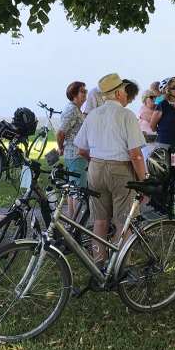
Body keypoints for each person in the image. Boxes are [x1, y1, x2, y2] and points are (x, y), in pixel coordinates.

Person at [74, 73, 147, 266]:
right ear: (117, 94)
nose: (125, 94)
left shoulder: (93, 115)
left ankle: (98, 264)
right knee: (123, 222)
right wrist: (143, 180)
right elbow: (135, 154)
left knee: (100, 221)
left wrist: (98, 161)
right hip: (121, 170)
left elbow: (81, 149)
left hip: (96, 169)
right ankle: (122, 267)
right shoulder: (126, 115)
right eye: (123, 91)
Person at [57, 81, 89, 219]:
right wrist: (60, 147)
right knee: (78, 191)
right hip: (76, 156)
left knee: (73, 190)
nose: (85, 93)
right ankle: (76, 226)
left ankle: (72, 222)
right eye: (82, 90)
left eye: (85, 90)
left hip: (74, 155)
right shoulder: (72, 110)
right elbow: (60, 133)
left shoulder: (74, 109)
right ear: (74, 94)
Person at [150, 77, 175, 149]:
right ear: (167, 90)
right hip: (164, 142)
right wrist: (162, 134)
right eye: (174, 87)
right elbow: (152, 125)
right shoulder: (162, 105)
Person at [137, 88, 158, 162]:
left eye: (155, 97)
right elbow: (152, 119)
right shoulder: (142, 109)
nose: (154, 99)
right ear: (144, 99)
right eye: (151, 97)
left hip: (157, 142)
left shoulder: (157, 108)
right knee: (147, 164)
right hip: (147, 143)